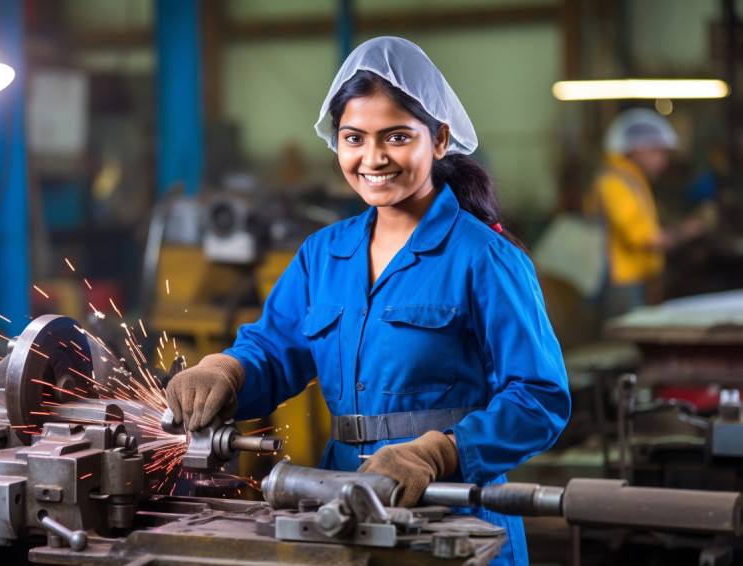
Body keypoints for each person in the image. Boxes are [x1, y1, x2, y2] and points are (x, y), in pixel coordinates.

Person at [166, 36, 571, 565]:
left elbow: (539, 397)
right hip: (337, 502)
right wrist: (227, 371)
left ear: (440, 140)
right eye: (353, 138)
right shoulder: (323, 254)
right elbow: (273, 348)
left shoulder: (484, 257)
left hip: (455, 513)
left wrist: (439, 452)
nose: (373, 158)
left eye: (397, 137)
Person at [585, 108, 706, 320]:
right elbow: (644, 237)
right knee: (624, 344)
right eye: (658, 152)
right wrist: (688, 230)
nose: (663, 160)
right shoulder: (613, 182)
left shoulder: (631, 178)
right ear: (638, 149)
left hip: (638, 279)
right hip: (623, 283)